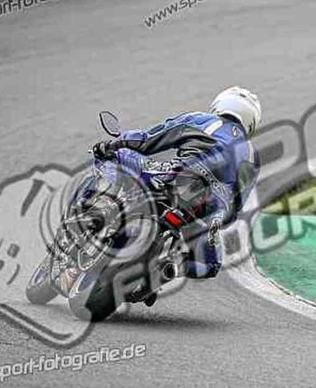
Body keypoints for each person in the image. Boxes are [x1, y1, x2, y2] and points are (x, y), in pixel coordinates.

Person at [91, 86, 261, 305]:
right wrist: (215, 220)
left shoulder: (202, 120)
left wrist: (115, 143)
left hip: (176, 178)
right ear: (252, 123)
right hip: (210, 209)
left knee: (117, 155)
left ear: (220, 105)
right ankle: (169, 269)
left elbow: (149, 139)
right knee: (211, 265)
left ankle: (98, 208)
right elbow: (236, 208)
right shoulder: (252, 157)